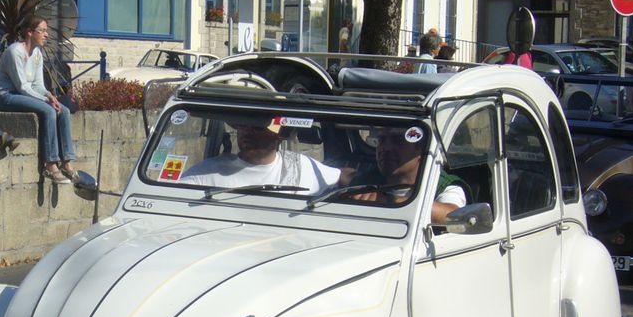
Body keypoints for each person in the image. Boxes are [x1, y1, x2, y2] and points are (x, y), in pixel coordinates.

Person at [0, 15, 76, 184]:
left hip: (25, 94)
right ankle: (50, 165)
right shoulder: (15, 51)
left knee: (64, 111)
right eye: (42, 31)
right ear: (30, 32)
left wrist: (49, 95)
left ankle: (67, 162)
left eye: (47, 31)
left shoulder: (37, 53)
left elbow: (38, 85)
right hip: (8, 96)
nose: (46, 35)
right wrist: (46, 102)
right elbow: (22, 86)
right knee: (48, 111)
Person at [180, 119, 341, 193]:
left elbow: (343, 176)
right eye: (243, 125)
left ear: (278, 134)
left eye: (257, 127)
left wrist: (360, 192)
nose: (247, 132)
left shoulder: (299, 166)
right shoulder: (207, 173)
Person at [346, 126, 467, 223]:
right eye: (381, 140)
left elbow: (453, 215)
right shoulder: (364, 180)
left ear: (421, 149)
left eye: (398, 141)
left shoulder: (442, 185)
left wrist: (390, 201)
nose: (386, 148)